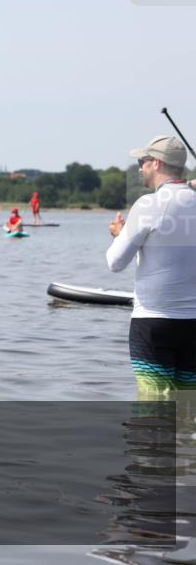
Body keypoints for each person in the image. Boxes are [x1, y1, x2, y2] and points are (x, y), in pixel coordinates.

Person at [106, 135, 196, 394]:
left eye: (142, 162)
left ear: (156, 163)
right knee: (188, 407)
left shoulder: (148, 205)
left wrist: (119, 235)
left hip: (153, 323)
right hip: (193, 325)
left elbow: (115, 262)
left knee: (154, 406)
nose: (139, 168)